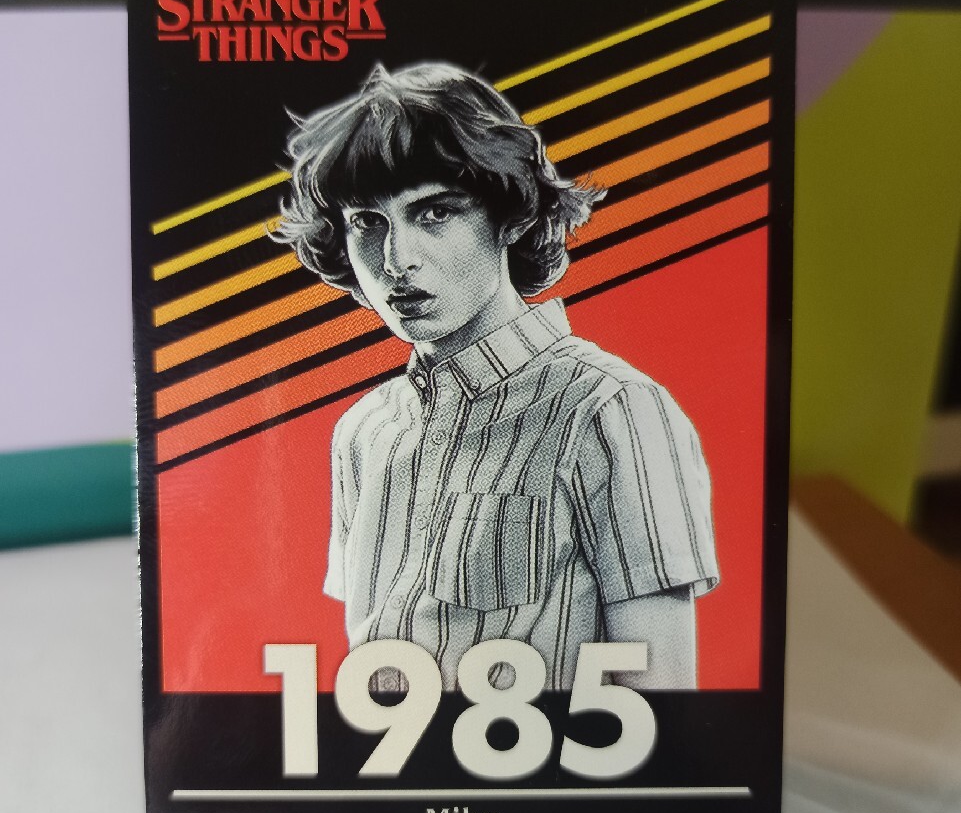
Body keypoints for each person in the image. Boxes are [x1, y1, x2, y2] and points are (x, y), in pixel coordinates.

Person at [274, 62, 718, 692]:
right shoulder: (364, 432)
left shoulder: (612, 409)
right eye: (367, 223)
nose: (397, 260)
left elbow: (660, 702)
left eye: (434, 213)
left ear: (509, 217)